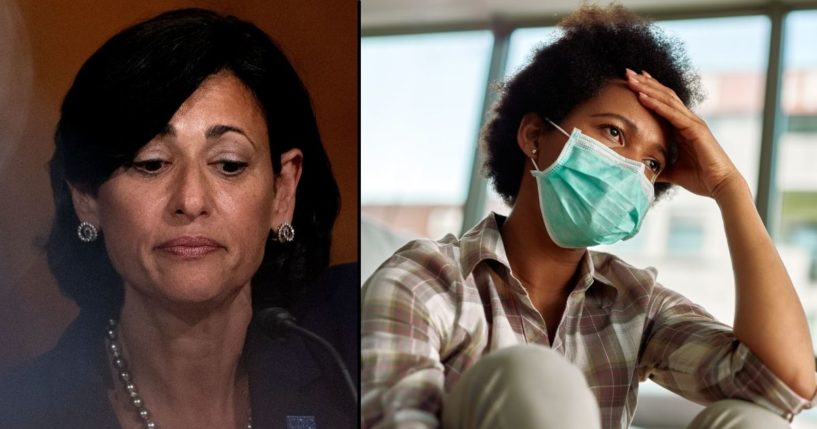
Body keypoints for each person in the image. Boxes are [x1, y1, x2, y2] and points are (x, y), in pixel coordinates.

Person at [361, 5, 817, 429]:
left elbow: (785, 384)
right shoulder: (426, 278)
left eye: (652, 164)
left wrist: (729, 188)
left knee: (750, 421)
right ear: (534, 134)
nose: (632, 170)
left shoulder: (634, 302)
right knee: (534, 375)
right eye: (614, 133)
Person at [0, 8, 357, 428]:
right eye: (151, 164)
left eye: (228, 164)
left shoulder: (351, 342)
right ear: (87, 198)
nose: (190, 201)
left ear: (283, 191)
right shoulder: (21, 410)